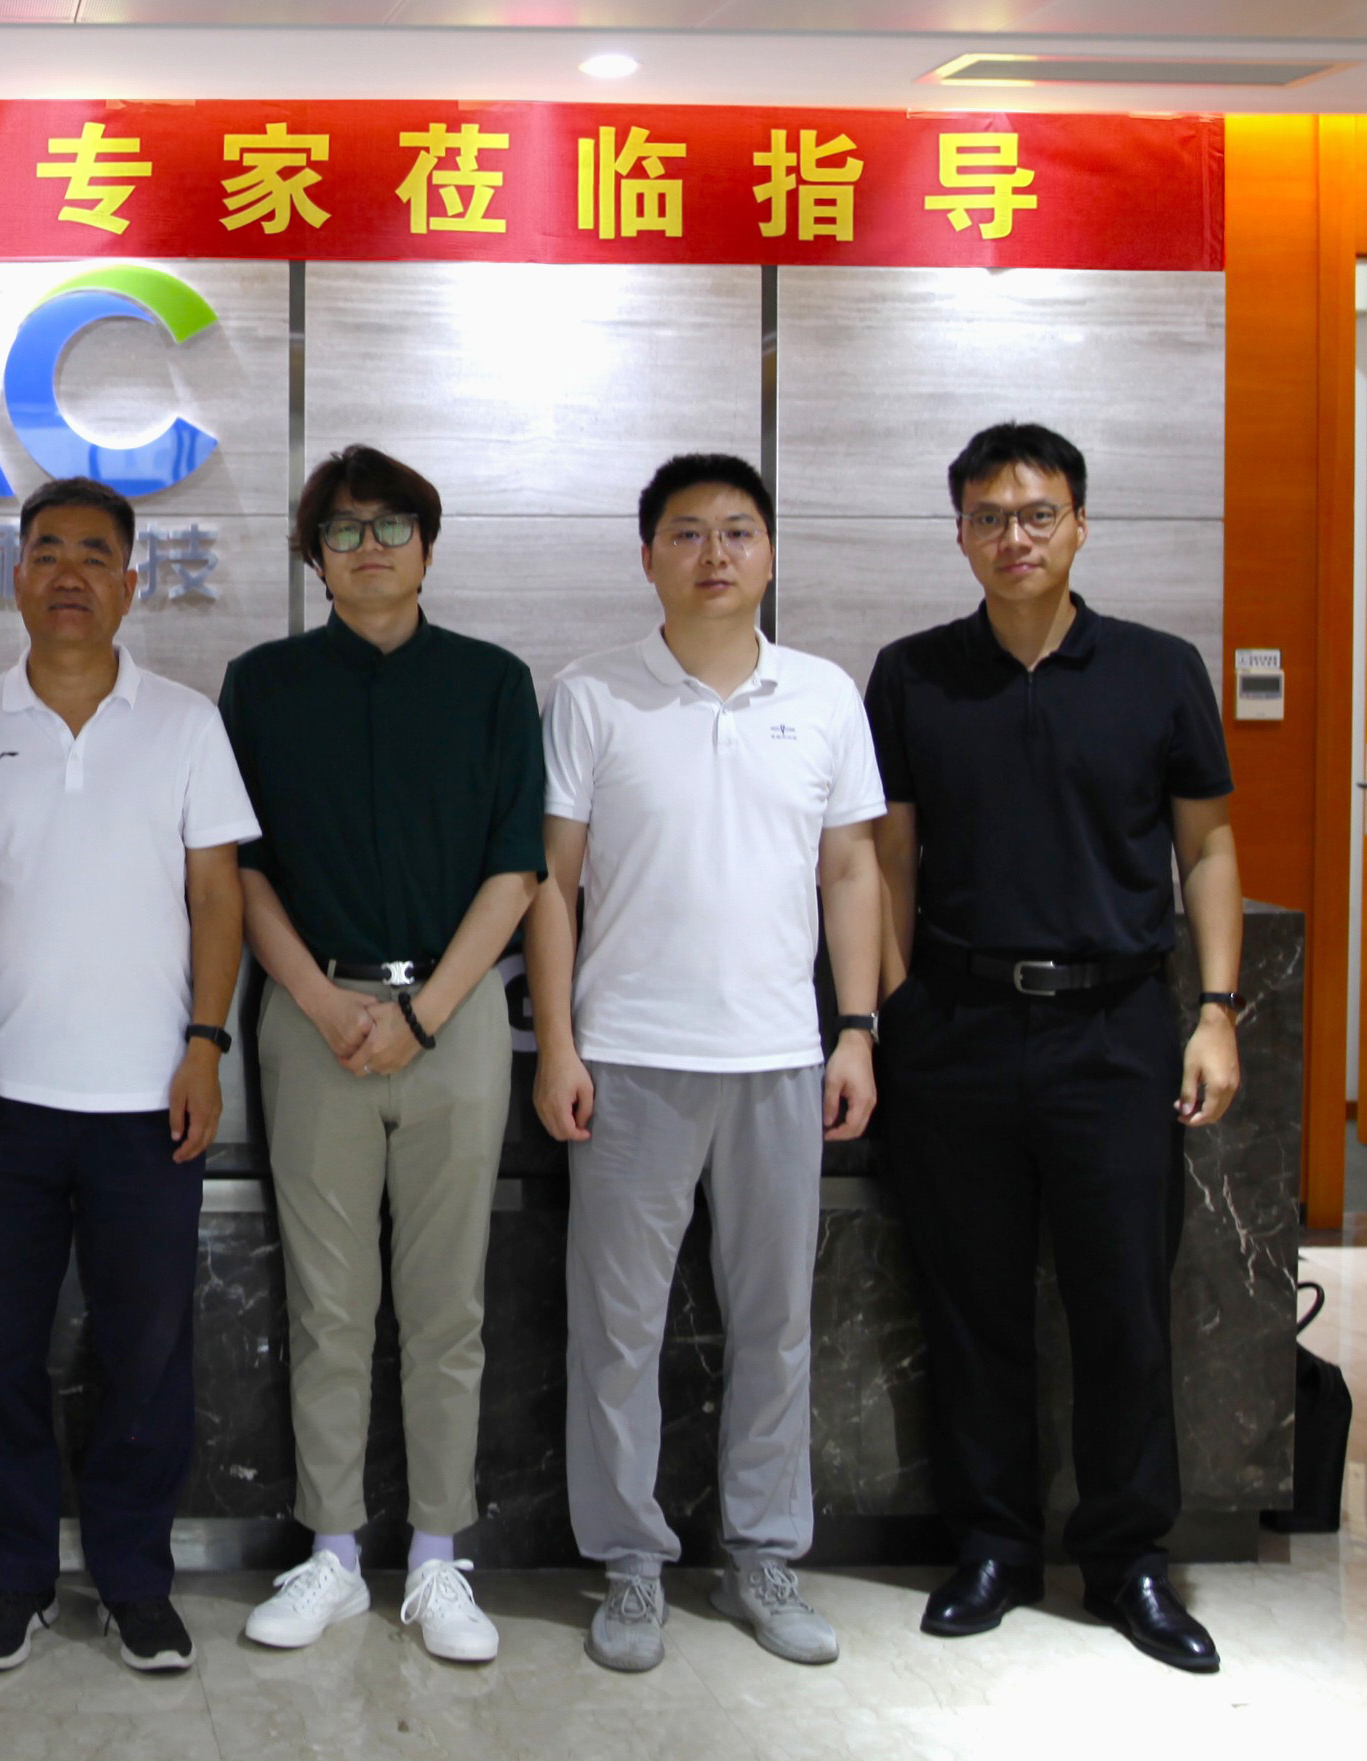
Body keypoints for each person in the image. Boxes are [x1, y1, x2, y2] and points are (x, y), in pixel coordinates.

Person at [867, 421, 1242, 1674]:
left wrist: (1215, 1009)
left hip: (1115, 1030)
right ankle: (991, 1546)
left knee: (1122, 1304)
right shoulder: (913, 675)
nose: (1013, 536)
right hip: (958, 1027)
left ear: (1080, 524)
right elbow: (886, 860)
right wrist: (897, 1010)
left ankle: (1127, 1559)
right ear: (959, 534)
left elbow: (1207, 850)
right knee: (970, 1305)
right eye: (988, 516)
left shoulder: (1157, 670)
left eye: (1037, 514)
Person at [527, 453, 884, 1675]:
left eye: (737, 530)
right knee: (616, 1330)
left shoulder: (823, 695)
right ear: (648, 557)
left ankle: (763, 1553)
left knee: (775, 1324)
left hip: (780, 1057)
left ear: (770, 552)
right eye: (686, 532)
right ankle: (629, 1564)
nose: (714, 553)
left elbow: (852, 870)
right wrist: (559, 1042)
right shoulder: (590, 694)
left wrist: (855, 1028)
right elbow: (552, 882)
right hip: (627, 1057)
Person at [220, 445, 542, 1665]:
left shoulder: (493, 683)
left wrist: (421, 1014)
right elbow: (241, 869)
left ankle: (440, 1558)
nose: (368, 547)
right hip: (312, 1021)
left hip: (454, 1021)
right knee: (328, 1305)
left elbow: (516, 868)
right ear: (313, 556)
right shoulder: (262, 685)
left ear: (427, 543)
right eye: (343, 530)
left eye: (391, 525)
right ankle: (335, 1555)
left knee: (448, 1304)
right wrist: (316, 998)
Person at [0, 477, 256, 1675]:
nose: (68, 573)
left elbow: (217, 895)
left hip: (147, 1100)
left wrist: (205, 1045)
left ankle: (133, 1582)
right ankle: (9, 1579)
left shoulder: (186, 723)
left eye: (92, 554)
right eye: (46, 551)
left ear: (131, 581)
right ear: (16, 574)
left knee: (147, 1356)